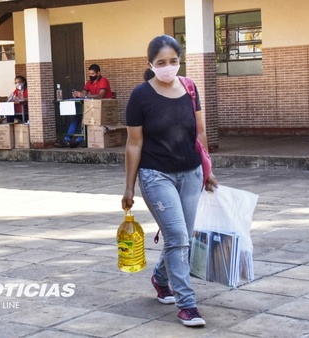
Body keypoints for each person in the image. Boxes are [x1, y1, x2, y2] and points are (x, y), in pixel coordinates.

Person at [121, 35, 218, 328]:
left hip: (191, 173)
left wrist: (208, 168)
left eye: (173, 61)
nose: (168, 67)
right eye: (161, 62)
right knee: (177, 237)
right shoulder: (140, 96)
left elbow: (198, 132)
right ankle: (187, 304)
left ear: (180, 61)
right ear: (150, 63)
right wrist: (128, 186)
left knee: (183, 238)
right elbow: (133, 144)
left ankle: (161, 279)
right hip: (156, 175)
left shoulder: (189, 88)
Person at [67, 64, 113, 148]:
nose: (91, 76)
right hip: (91, 106)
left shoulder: (103, 80)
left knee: (88, 118)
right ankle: (67, 139)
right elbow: (84, 92)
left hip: (103, 107)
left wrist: (84, 96)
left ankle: (79, 140)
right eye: (89, 74)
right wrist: (77, 94)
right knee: (77, 116)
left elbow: (100, 95)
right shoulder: (89, 82)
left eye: (92, 74)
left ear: (98, 73)